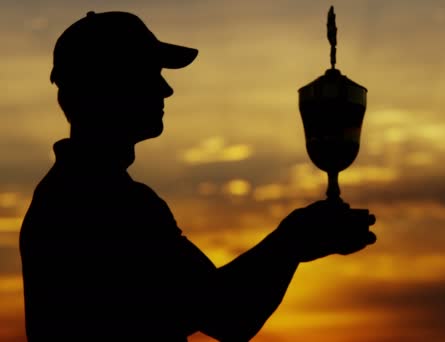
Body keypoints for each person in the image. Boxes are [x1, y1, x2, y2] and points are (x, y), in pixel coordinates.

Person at [19, 11, 376, 342]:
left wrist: (294, 242)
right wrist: (293, 240)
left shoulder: (70, 194)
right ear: (109, 84)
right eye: (149, 73)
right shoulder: (104, 203)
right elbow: (227, 314)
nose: (166, 89)